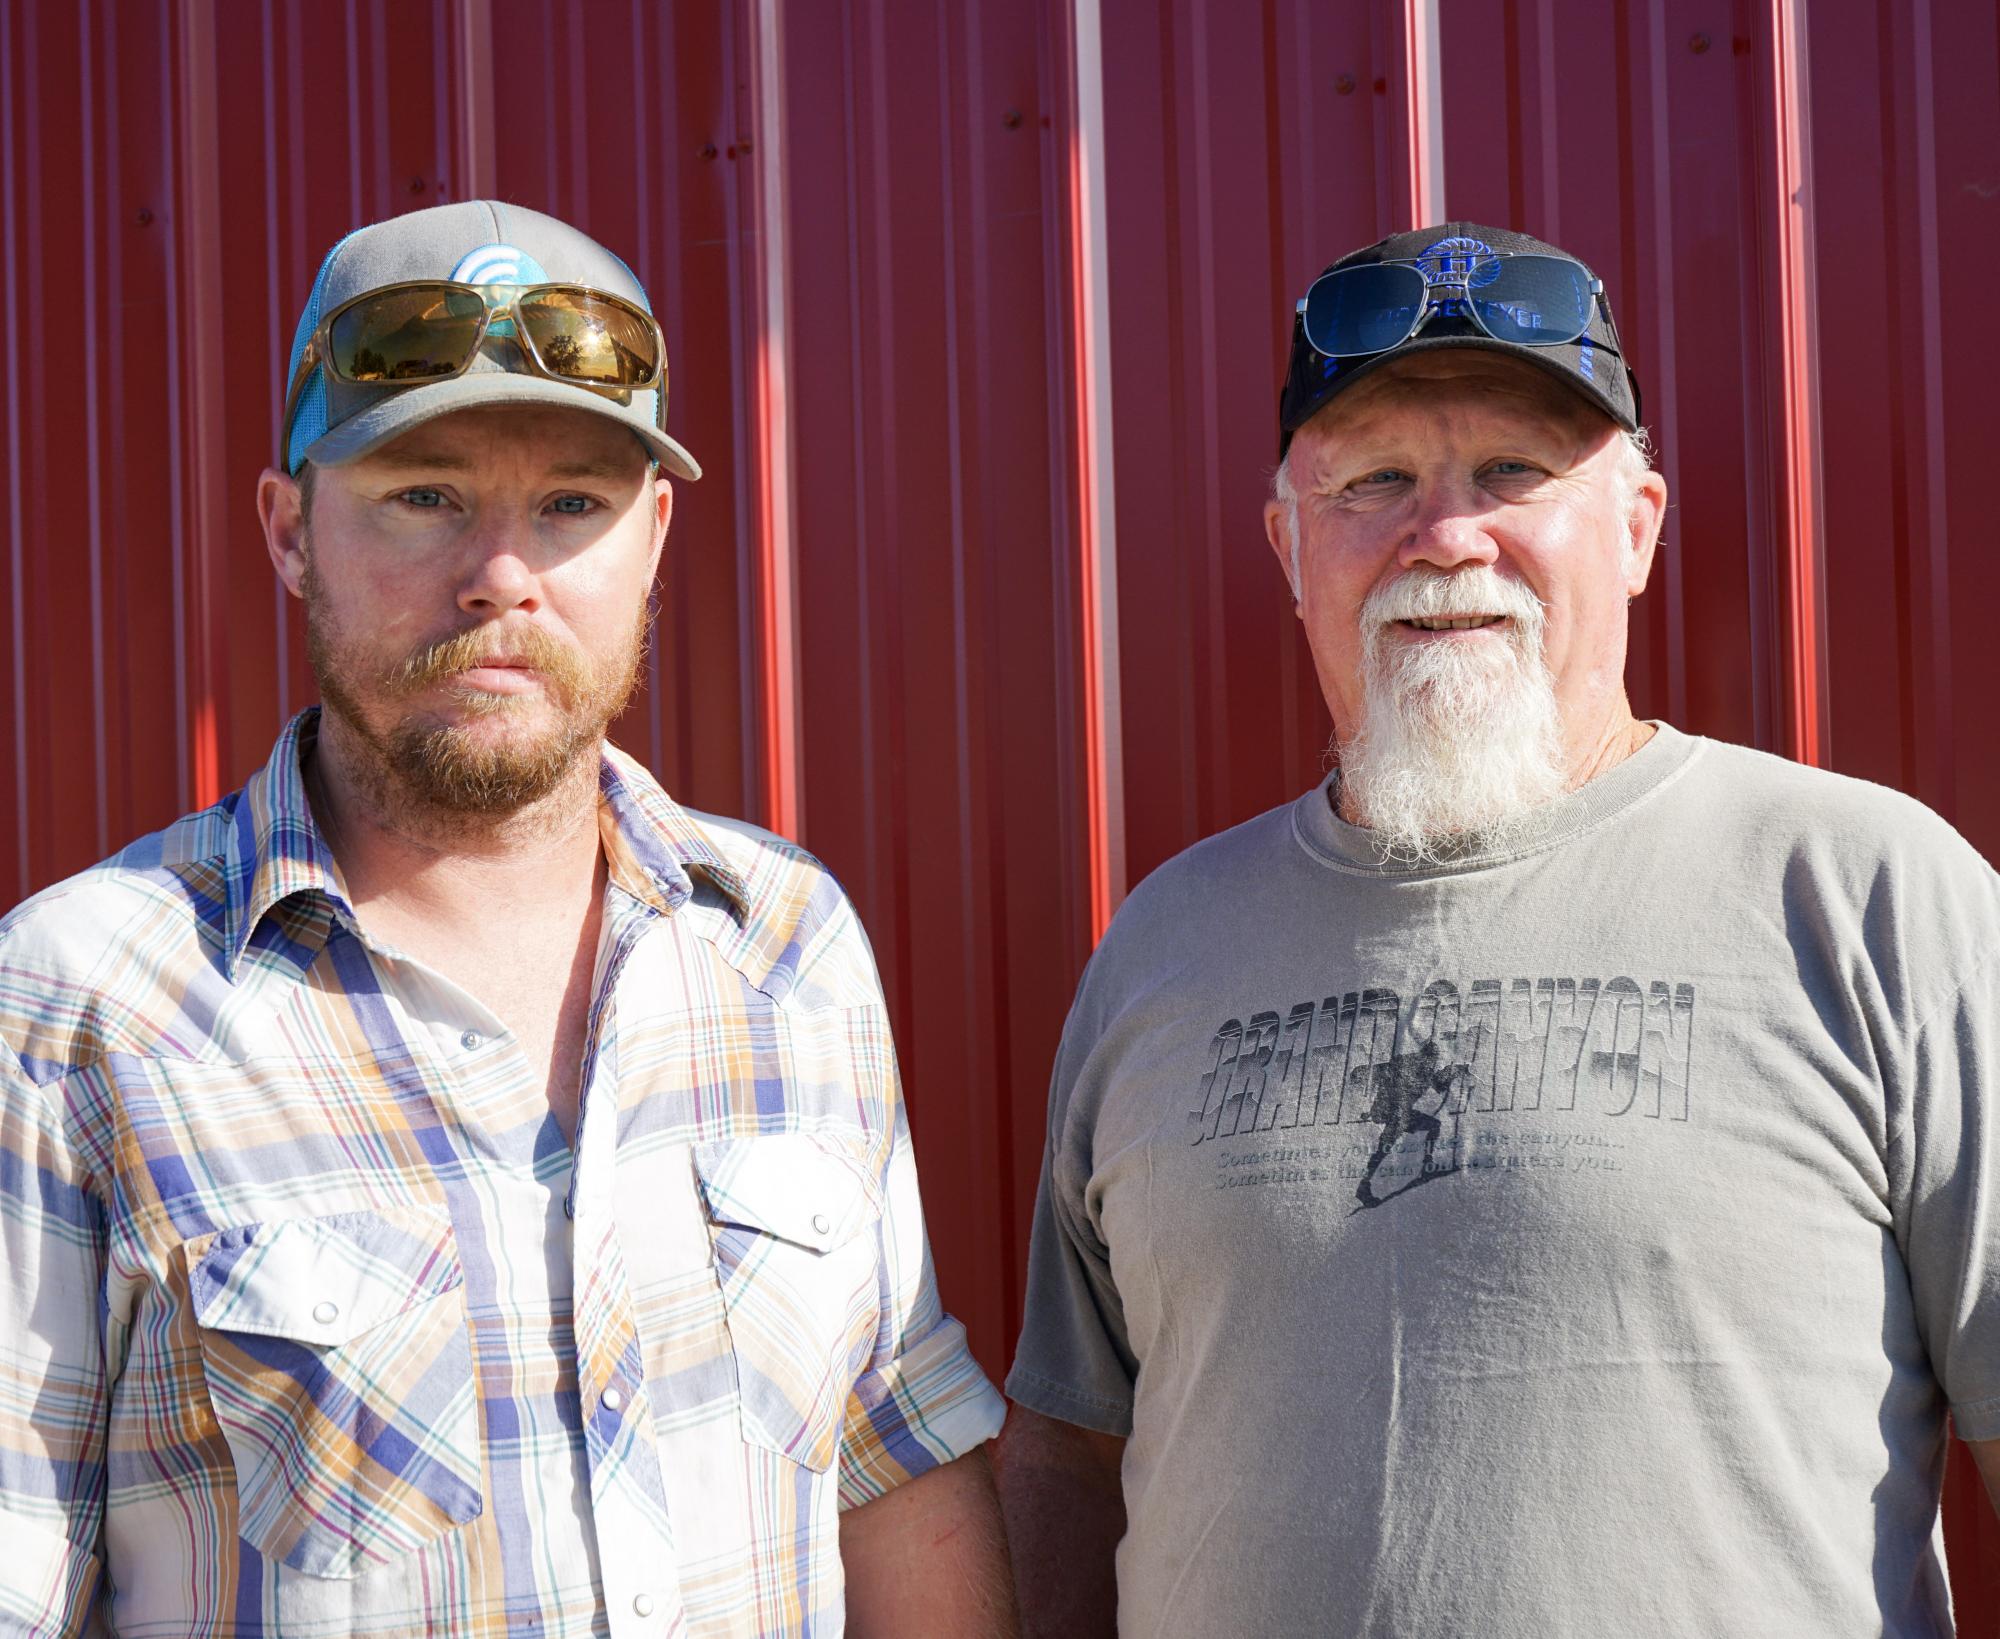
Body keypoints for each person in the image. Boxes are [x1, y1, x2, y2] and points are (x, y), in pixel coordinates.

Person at [0, 200, 1015, 1637]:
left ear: (653, 535)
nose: (501, 577)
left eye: (571, 505)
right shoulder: (80, 1001)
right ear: (290, 531)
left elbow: (891, 1459)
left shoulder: (785, 946)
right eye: (423, 495)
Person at [997, 222, 2000, 1637]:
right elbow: (1068, 1445)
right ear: (1291, 547)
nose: (1446, 535)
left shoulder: (1870, 896)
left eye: (1514, 473)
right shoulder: (1165, 945)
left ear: (1640, 528)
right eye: (1377, 480)